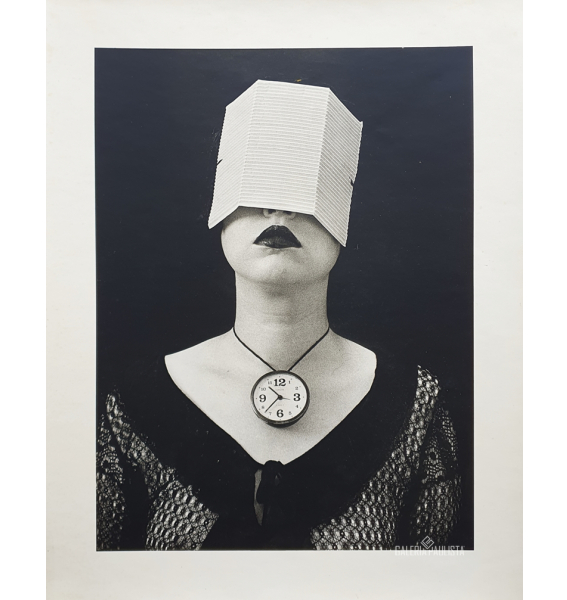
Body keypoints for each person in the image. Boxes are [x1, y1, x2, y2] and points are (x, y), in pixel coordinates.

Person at [96, 80, 461, 550]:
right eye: (255, 186)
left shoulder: (416, 404)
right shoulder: (135, 402)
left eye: (308, 188)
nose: (279, 209)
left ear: (345, 218)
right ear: (218, 214)